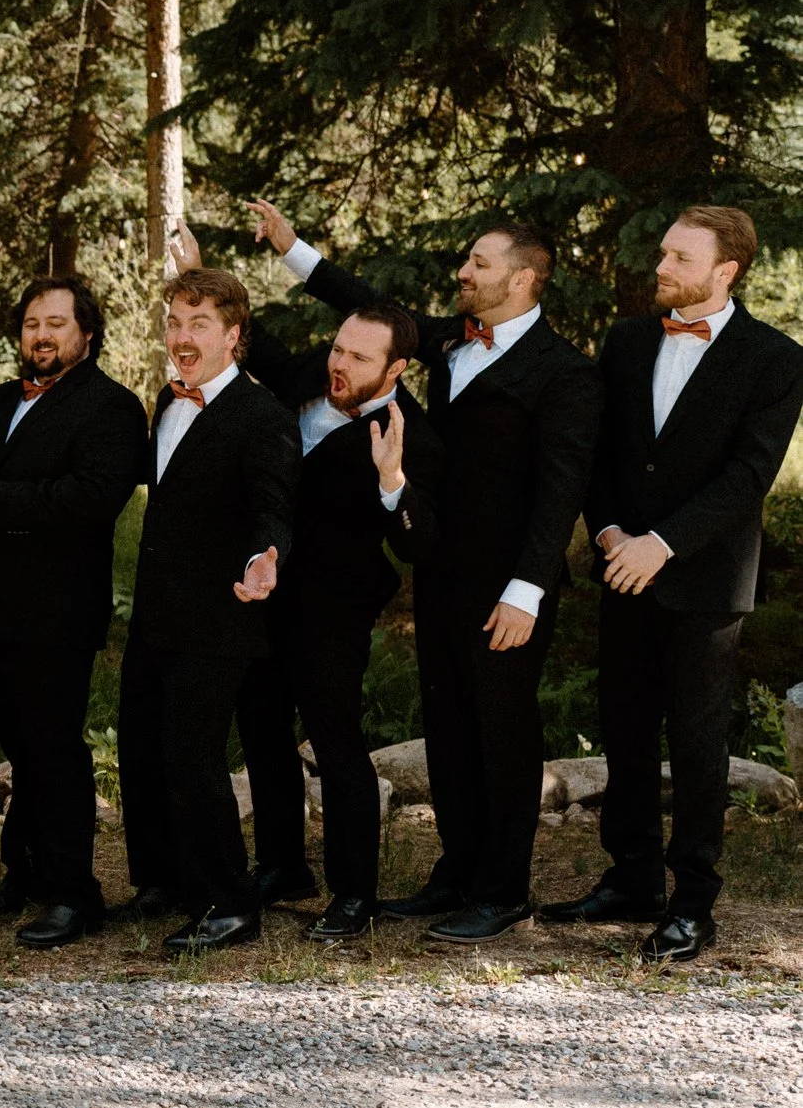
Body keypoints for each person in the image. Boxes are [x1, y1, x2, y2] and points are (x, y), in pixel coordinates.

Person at [257, 201, 602, 943]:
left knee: (504, 732)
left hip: (509, 584)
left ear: (525, 278)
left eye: (479, 263)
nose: (463, 272)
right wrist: (293, 248)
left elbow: (560, 491)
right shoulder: (448, 339)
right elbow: (368, 313)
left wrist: (528, 589)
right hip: (437, 566)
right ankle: (457, 868)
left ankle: (503, 888)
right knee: (448, 728)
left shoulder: (565, 373)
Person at [169, 227, 444, 941]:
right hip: (259, 596)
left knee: (335, 742)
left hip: (333, 611)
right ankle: (284, 863)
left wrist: (393, 482)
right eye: (338, 347)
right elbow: (244, 345)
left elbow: (421, 541)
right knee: (261, 734)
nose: (339, 363)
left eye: (358, 356)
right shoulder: (302, 383)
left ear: (396, 368)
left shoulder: (409, 433)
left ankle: (355, 893)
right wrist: (199, 276)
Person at [551, 206, 803, 960]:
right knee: (625, 729)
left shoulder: (776, 358)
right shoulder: (626, 342)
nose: (660, 267)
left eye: (678, 257)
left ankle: (693, 900)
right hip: (622, 566)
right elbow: (600, 457)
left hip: (705, 578)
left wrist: (662, 544)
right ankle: (631, 878)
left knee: (697, 743)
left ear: (725, 271)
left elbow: (747, 477)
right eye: (662, 252)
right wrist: (608, 536)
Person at [0, 276, 148, 948]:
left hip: (58, 608)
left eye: (57, 322)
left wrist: (0, 499)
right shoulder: (2, 399)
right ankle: (24, 871)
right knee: (22, 746)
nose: (41, 334)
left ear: (87, 333)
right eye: (32, 322)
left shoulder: (111, 407)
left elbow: (93, 497)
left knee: (54, 749)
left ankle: (74, 894)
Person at [118, 267, 299, 954]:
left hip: (220, 618)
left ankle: (229, 903)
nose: (182, 336)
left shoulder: (264, 415)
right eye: (174, 322)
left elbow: (274, 508)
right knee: (143, 747)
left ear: (233, 335)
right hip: (157, 614)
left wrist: (267, 556)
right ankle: (166, 880)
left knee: (194, 756)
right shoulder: (166, 402)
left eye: (198, 324)